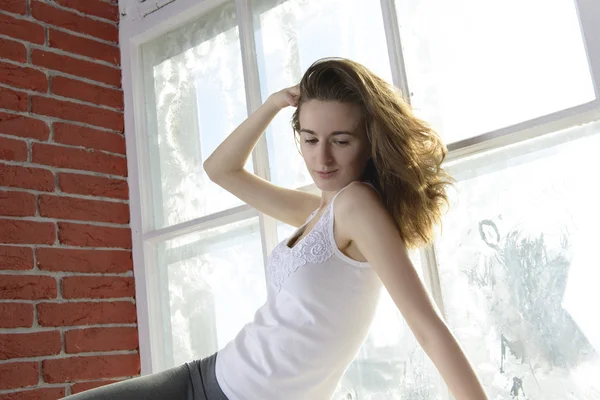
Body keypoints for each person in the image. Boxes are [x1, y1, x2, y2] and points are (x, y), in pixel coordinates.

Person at [64, 58, 488, 399]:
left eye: (341, 140)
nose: (322, 158)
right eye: (309, 139)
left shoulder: (358, 206)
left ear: (370, 141)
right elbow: (220, 169)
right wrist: (273, 104)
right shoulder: (317, 211)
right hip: (207, 375)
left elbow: (427, 326)